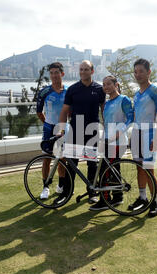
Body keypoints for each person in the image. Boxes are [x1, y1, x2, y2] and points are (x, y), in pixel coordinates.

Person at [55, 60, 106, 206]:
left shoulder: (99, 89)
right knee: (71, 163)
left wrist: (108, 127)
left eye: (86, 69)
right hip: (75, 130)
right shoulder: (72, 89)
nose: (83, 72)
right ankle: (66, 193)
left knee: (92, 164)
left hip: (92, 132)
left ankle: (92, 193)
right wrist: (61, 129)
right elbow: (64, 111)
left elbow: (104, 110)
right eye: (81, 69)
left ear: (92, 71)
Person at [89, 75, 134, 211]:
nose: (106, 87)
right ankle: (118, 197)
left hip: (118, 142)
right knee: (113, 170)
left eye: (109, 84)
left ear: (116, 85)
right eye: (104, 84)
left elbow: (131, 117)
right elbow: (107, 123)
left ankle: (105, 200)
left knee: (105, 171)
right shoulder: (107, 103)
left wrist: (119, 133)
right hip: (107, 141)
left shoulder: (123, 99)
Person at [128, 58, 157, 218]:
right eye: (135, 72)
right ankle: (142, 198)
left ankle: (154, 201)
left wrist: (156, 138)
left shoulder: (155, 91)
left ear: (148, 72)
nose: (138, 75)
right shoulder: (137, 94)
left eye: (141, 71)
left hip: (150, 133)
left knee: (149, 169)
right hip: (136, 133)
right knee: (139, 167)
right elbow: (136, 116)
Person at [36, 62, 67, 200]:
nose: (54, 75)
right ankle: (46, 186)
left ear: (62, 74)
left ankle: (61, 186)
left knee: (62, 159)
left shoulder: (68, 91)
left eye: (57, 72)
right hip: (49, 128)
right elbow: (39, 112)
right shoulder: (44, 92)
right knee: (47, 159)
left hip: (63, 129)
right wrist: (47, 124)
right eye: (52, 73)